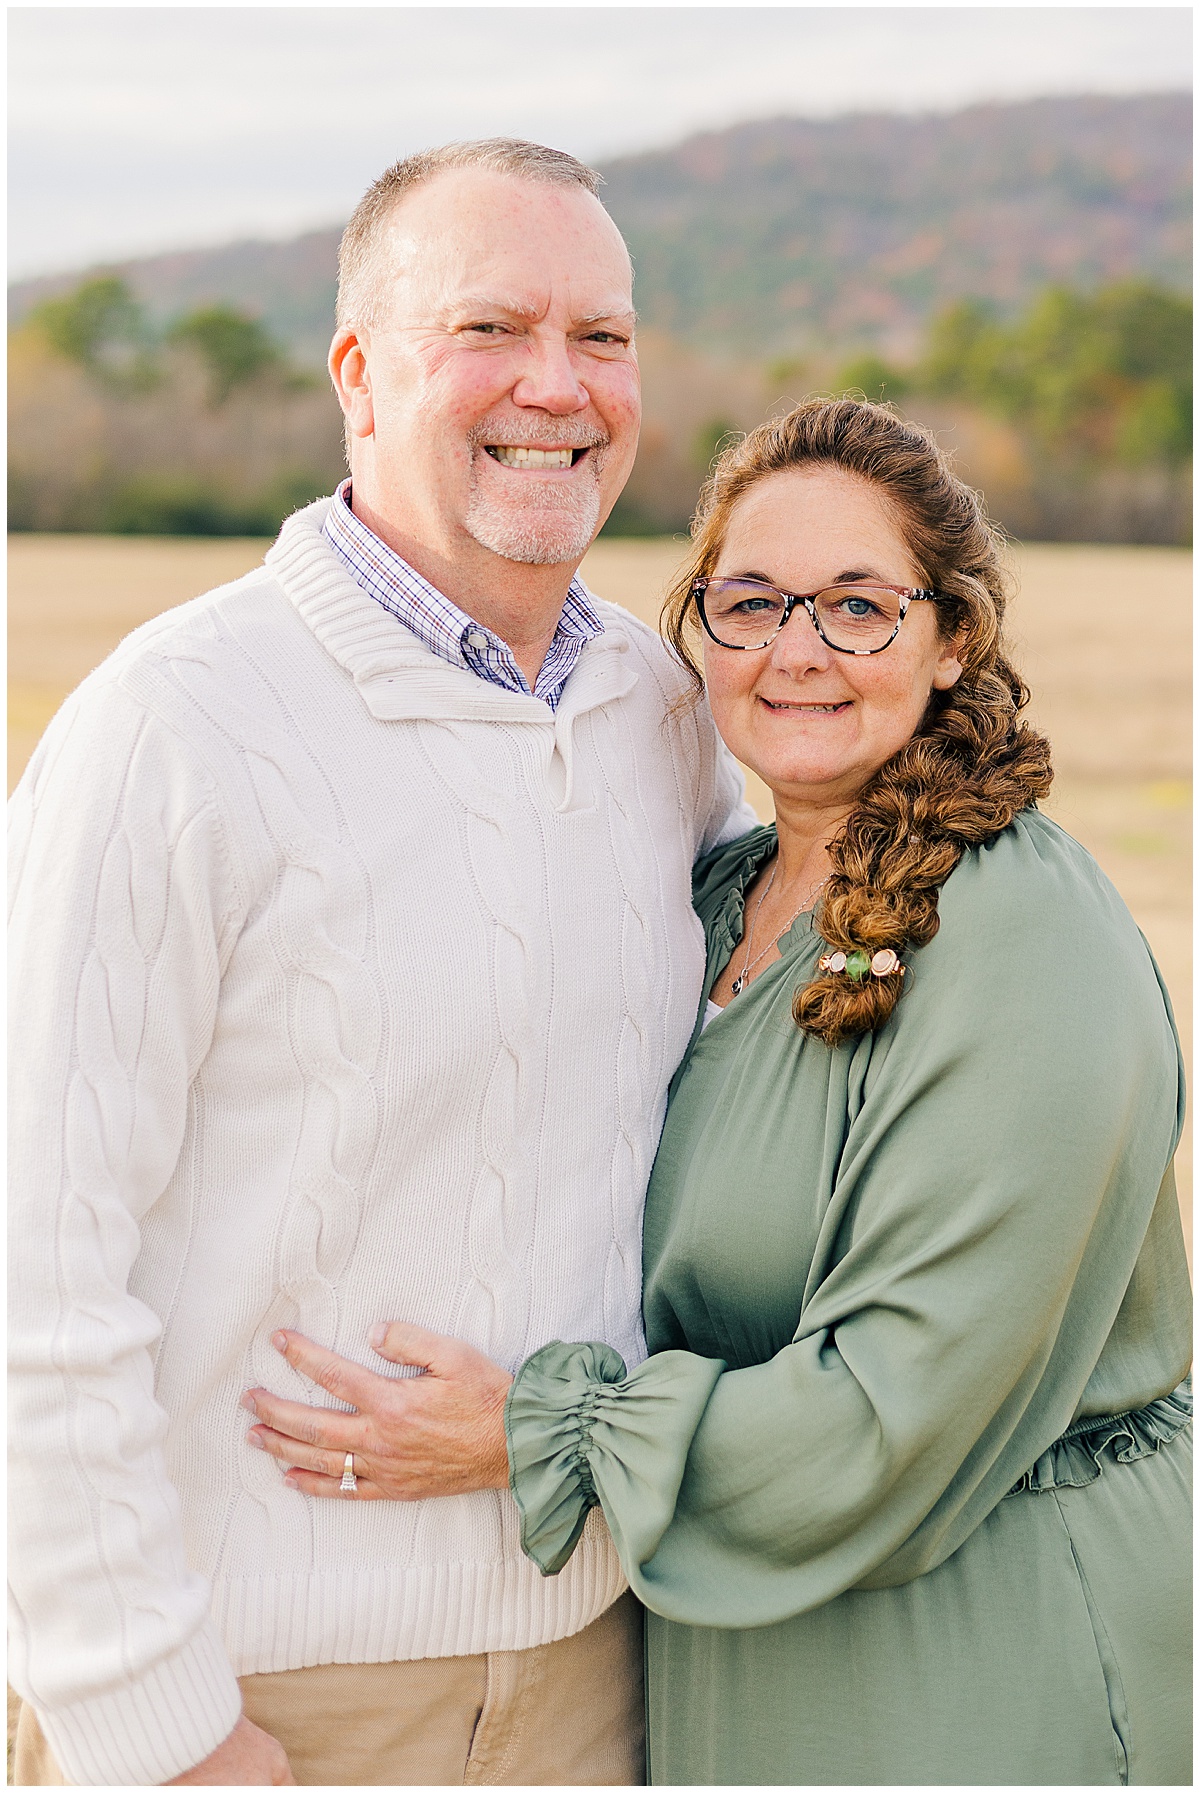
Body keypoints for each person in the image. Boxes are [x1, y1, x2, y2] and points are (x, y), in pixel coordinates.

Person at [253, 399, 1192, 1785]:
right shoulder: (714, 894)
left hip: (973, 1659)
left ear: (952, 643)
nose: (795, 650)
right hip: (739, 1666)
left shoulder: (1022, 940)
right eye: (749, 602)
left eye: (859, 606)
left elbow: (896, 1409)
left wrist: (538, 1427)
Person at [7, 139, 756, 1787]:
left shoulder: (661, 714)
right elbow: (33, 1270)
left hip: (605, 1673)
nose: (558, 387)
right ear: (358, 370)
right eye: (490, 325)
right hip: (262, 1693)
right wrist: (158, 1726)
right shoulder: (174, 726)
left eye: (606, 338)